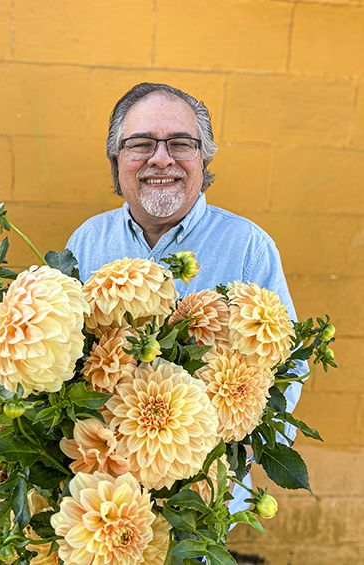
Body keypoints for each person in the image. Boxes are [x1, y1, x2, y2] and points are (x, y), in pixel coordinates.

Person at [66, 82, 304, 515]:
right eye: (141, 143)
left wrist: (236, 458)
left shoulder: (248, 246)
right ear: (117, 158)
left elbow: (290, 364)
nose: (162, 158)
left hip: (202, 502)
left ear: (203, 157)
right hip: (102, 498)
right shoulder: (86, 242)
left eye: (181, 143)